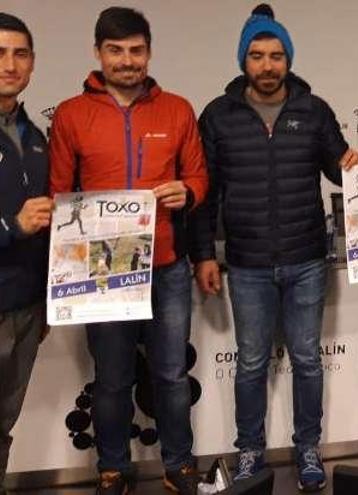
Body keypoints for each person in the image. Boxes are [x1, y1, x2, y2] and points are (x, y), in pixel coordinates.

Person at [188, 4, 358, 492]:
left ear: (289, 59)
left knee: (307, 359)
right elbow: (205, 194)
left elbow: (338, 168)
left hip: (307, 258)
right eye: (258, 55)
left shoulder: (314, 110)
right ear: (244, 60)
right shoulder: (219, 116)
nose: (268, 65)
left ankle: (309, 447)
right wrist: (203, 253)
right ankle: (250, 452)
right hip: (246, 263)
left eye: (277, 55)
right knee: (250, 362)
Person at [49, 7, 209, 494]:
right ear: (98, 53)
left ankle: (178, 462)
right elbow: (58, 195)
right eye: (116, 51)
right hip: (102, 273)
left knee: (171, 374)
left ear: (149, 52)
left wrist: (189, 191)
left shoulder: (178, 109)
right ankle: (112, 466)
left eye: (136, 50)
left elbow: (199, 176)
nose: (127, 61)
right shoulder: (72, 114)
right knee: (113, 378)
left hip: (166, 267)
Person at [0, 13, 52, 493]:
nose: (9, 64)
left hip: (25, 308)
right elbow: (20, 226)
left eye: (19, 53)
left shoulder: (35, 139)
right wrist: (11, 227)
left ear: (32, 63)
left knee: (2, 427)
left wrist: (48, 299)